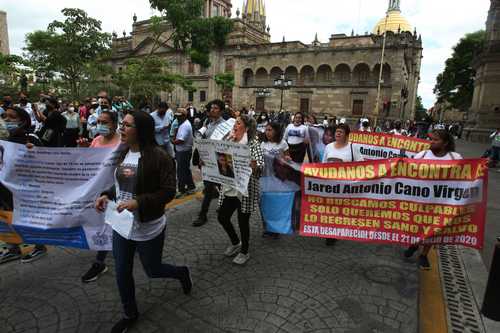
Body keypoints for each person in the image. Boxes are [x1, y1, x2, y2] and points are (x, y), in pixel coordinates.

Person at [95, 111, 192, 333]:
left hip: (148, 226)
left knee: (153, 269)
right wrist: (107, 195)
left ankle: (181, 273)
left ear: (141, 131)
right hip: (121, 225)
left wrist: (139, 202)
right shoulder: (123, 153)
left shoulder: (160, 157)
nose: (122, 128)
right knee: (121, 271)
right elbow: (121, 184)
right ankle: (130, 313)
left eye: (127, 125)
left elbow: (168, 192)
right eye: (122, 124)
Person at [404, 129, 463, 270]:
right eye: (431, 139)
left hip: (442, 203)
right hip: (421, 200)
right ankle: (415, 244)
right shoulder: (422, 155)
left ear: (445, 143)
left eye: (436, 140)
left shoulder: (455, 158)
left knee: (434, 230)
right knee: (418, 227)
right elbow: (408, 172)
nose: (432, 142)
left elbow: (465, 175)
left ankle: (424, 255)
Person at [0, 106, 48, 264]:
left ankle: (39, 246)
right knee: (7, 217)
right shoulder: (5, 139)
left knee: (28, 218)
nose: (7, 120)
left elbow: (49, 161)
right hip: (6, 188)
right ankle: (13, 248)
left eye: (11, 117)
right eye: (5, 116)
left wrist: (34, 152)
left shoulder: (31, 138)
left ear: (22, 120)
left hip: (26, 189)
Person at [218, 115, 263, 265]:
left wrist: (254, 165)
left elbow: (260, 166)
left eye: (238, 123)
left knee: (243, 221)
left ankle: (244, 251)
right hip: (229, 187)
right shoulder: (229, 140)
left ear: (247, 128)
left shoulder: (253, 144)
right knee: (222, 217)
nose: (234, 125)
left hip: (245, 189)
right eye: (235, 123)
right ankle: (235, 242)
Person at [81, 111, 121, 283]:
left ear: (114, 123)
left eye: (105, 122)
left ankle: (100, 262)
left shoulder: (122, 142)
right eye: (98, 121)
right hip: (99, 190)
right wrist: (82, 150)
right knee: (106, 222)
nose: (101, 125)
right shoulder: (96, 140)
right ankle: (101, 260)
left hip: (118, 189)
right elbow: (90, 161)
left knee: (113, 221)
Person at [322, 123, 364, 246]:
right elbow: (323, 163)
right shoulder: (329, 147)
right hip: (330, 184)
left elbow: (361, 165)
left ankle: (335, 232)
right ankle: (329, 232)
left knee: (339, 210)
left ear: (347, 135)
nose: (338, 134)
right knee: (330, 209)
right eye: (337, 132)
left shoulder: (353, 147)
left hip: (345, 185)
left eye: (341, 132)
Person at [192, 100, 226, 227]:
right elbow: (203, 141)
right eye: (211, 108)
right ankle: (203, 215)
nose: (212, 110)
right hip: (208, 161)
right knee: (209, 186)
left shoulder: (225, 125)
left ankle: (221, 205)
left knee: (220, 185)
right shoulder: (207, 123)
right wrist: (202, 156)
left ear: (221, 111)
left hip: (219, 160)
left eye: (216, 108)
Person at [260, 122, 289, 238]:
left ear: (276, 131)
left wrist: (286, 159)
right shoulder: (263, 144)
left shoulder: (283, 144)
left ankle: (275, 229)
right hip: (264, 177)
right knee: (264, 203)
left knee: (275, 204)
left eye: (270, 130)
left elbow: (288, 159)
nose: (267, 132)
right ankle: (267, 226)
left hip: (277, 179)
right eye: (266, 130)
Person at [173, 108, 195, 196]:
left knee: (181, 171)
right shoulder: (182, 123)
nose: (177, 117)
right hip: (182, 151)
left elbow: (181, 140)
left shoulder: (185, 125)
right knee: (185, 170)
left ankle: (181, 189)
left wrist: (172, 141)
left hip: (183, 151)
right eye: (176, 116)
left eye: (179, 116)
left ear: (184, 116)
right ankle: (191, 186)